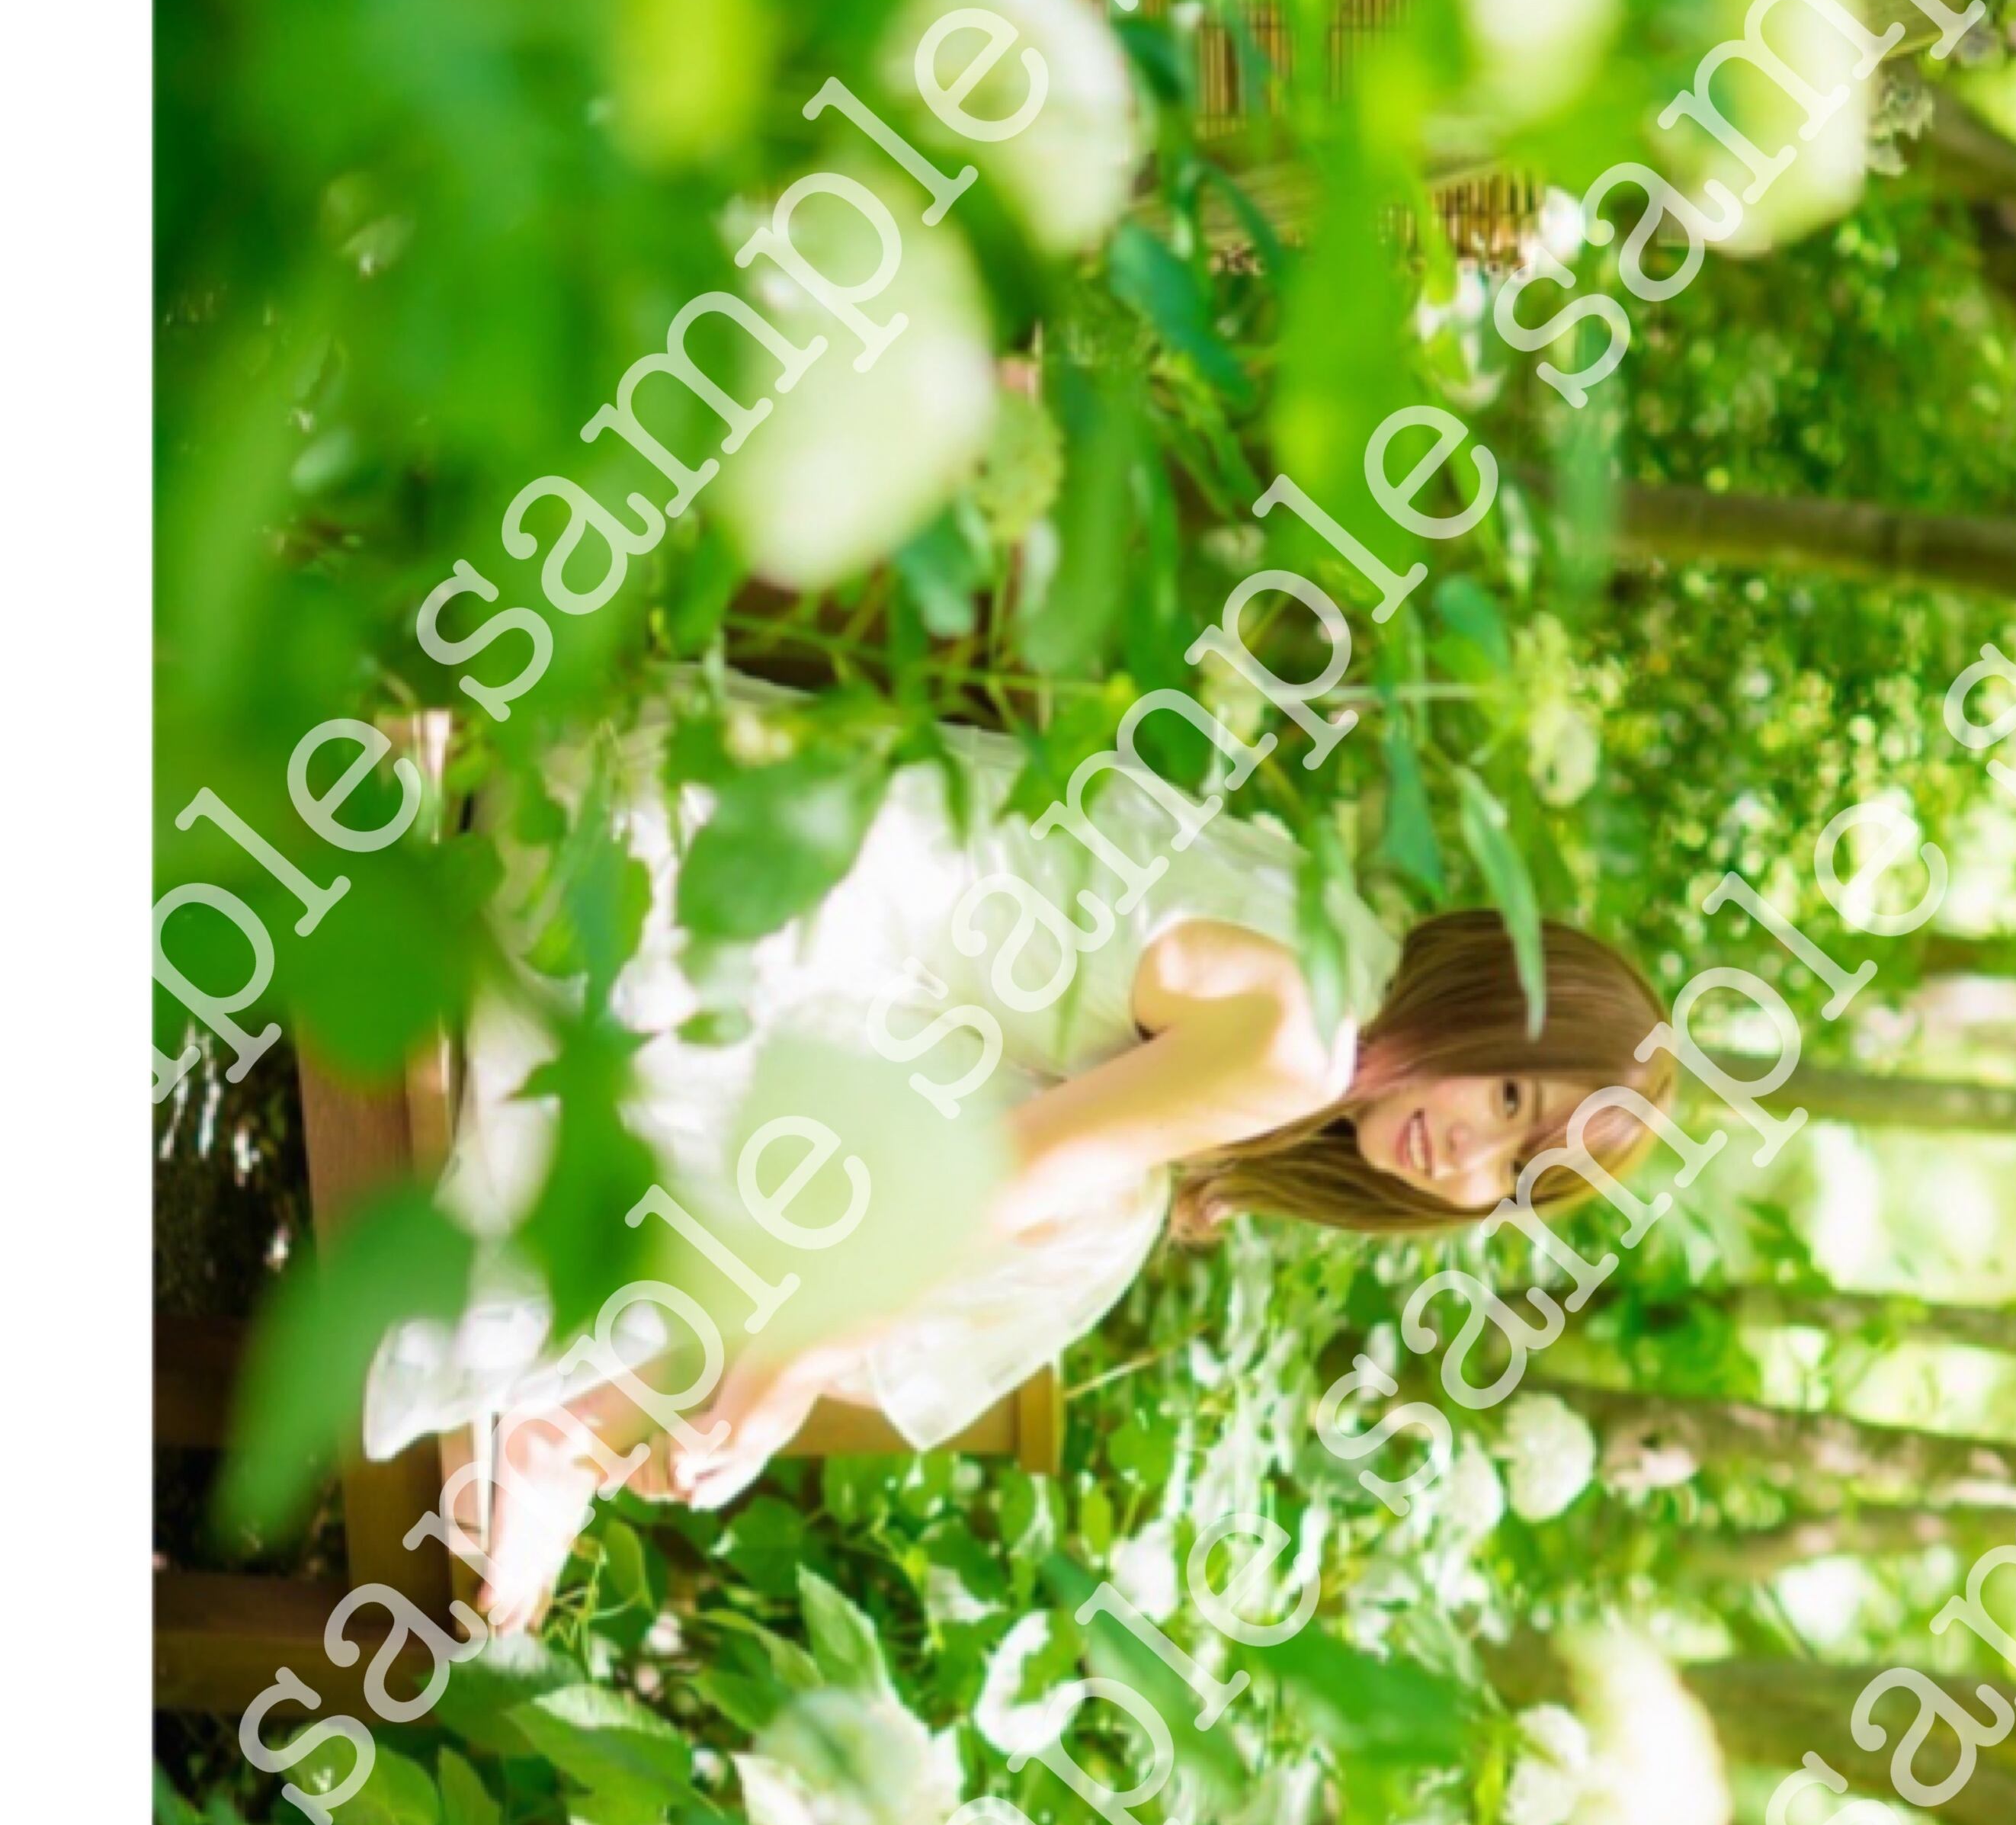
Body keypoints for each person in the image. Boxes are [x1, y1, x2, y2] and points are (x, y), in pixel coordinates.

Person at [363, 675, 1672, 1631]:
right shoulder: (1300, 1041)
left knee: (1093, 1192)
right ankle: (576, 1430)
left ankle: (587, 1419)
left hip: (670, 802)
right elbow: (985, 1189)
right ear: (1490, 996)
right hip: (665, 917)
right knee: (1092, 1215)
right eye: (1510, 1089)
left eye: (1515, 1168)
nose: (1474, 1147)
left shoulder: (1331, 922)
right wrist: (781, 1369)